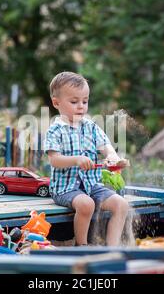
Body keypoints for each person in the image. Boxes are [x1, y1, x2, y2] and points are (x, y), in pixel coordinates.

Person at [44, 71, 130, 246]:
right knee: (86, 204)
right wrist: (76, 159)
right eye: (74, 102)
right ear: (56, 103)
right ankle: (81, 245)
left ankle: (112, 249)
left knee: (121, 204)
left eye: (85, 101)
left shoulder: (90, 127)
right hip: (65, 189)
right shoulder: (55, 130)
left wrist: (113, 159)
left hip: (92, 186)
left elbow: (107, 149)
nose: (81, 106)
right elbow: (54, 160)